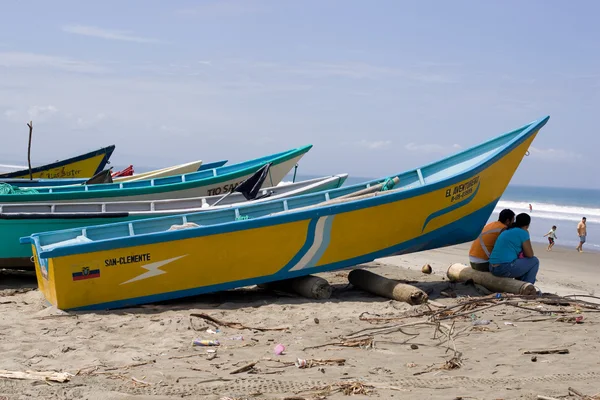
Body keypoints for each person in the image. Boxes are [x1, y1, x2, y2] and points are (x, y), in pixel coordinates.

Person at [488, 213, 540, 285]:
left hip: (492, 267)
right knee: (534, 261)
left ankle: (520, 284)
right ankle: (528, 286)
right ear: (527, 225)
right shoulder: (523, 232)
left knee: (519, 259)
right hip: (503, 268)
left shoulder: (507, 230)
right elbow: (530, 254)